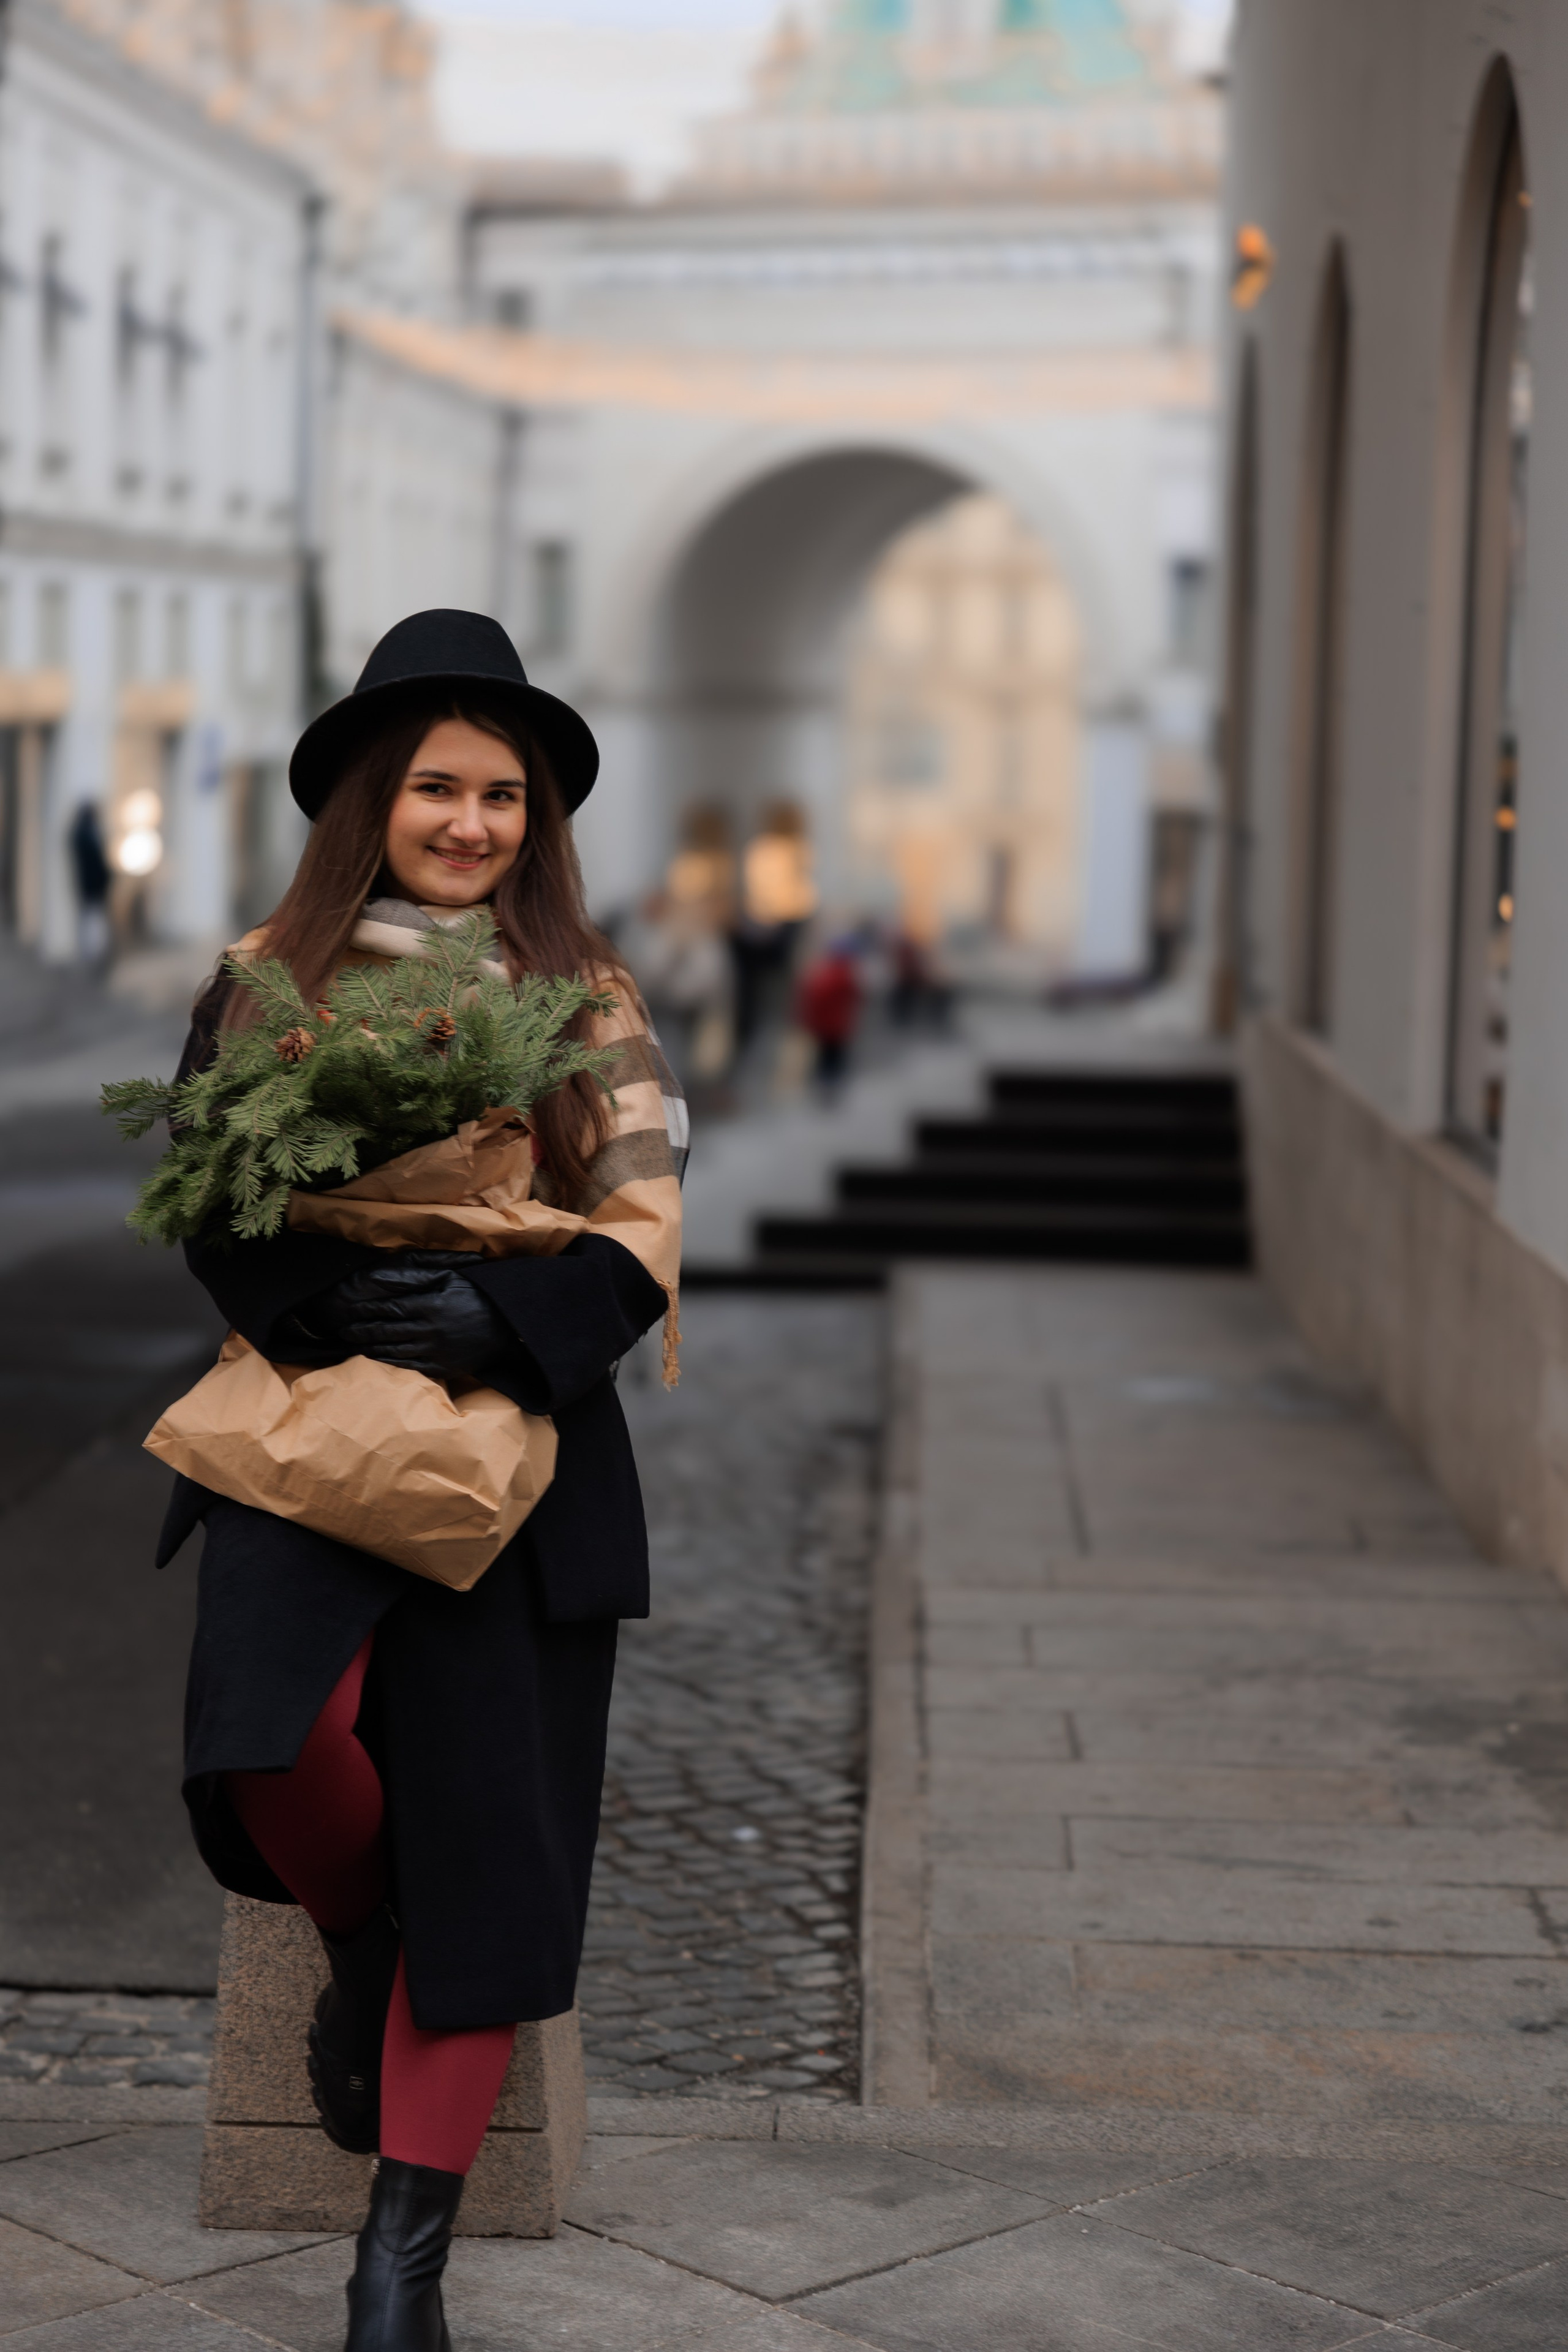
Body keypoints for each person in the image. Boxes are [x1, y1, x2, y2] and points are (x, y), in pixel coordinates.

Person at [158, 610, 685, 2351]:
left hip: (518, 1462)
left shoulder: (587, 999)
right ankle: (373, 1949)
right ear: (372, 797)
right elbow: (216, 1215)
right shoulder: (263, 983)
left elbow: (643, 1235)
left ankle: (401, 2269)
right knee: (267, 1740)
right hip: (307, 1428)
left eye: (507, 797)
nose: (474, 824)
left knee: (490, 1830)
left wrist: (495, 1311)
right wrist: (334, 1298)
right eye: (440, 788)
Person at [794, 935, 862, 1098]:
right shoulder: (841, 974)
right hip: (834, 1025)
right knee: (832, 1057)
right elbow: (854, 995)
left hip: (828, 1024)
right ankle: (829, 1085)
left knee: (827, 1056)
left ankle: (826, 1083)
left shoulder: (827, 971)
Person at [68, 799, 112, 969]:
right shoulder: (84, 835)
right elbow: (93, 862)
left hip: (93, 885)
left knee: (93, 919)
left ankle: (94, 954)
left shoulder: (87, 833)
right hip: (90, 885)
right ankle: (90, 955)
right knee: (90, 919)